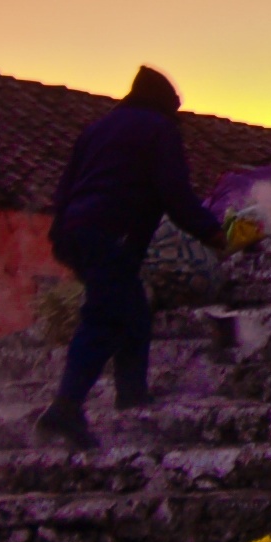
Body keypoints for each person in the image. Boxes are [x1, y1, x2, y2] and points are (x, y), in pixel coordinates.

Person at [36, 66, 225, 450]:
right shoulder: (158, 129)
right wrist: (213, 233)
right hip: (112, 233)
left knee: (133, 309)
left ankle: (132, 392)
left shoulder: (97, 129)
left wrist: (61, 236)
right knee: (104, 316)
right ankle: (65, 407)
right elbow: (175, 193)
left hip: (75, 231)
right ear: (166, 105)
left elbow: (66, 188)